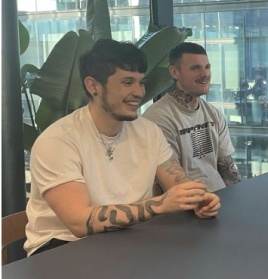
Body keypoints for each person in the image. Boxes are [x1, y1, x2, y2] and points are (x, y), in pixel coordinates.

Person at [25, 39, 221, 256]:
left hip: (128, 238)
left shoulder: (148, 131)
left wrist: (197, 199)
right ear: (93, 86)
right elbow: (79, 222)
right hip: (62, 248)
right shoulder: (58, 140)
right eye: (127, 82)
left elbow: (177, 181)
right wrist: (159, 205)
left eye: (141, 82)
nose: (138, 92)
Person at [143, 43, 239, 192]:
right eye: (195, 68)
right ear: (174, 72)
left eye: (207, 67)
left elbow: (228, 170)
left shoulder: (213, 113)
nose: (204, 74)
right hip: (190, 206)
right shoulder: (158, 118)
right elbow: (169, 183)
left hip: (221, 200)